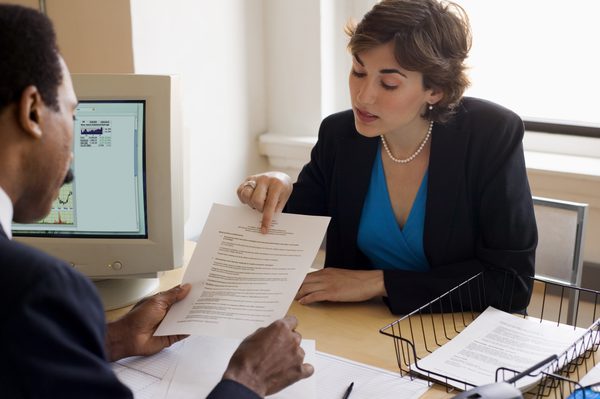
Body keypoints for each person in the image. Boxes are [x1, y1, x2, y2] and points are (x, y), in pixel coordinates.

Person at [0, 4, 312, 398]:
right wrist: (247, 380)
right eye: (72, 114)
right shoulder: (36, 290)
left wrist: (114, 339)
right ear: (32, 111)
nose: (75, 149)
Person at [238, 0, 537, 314]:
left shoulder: (490, 134)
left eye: (389, 83)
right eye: (358, 71)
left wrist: (380, 282)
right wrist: (279, 186)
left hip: (456, 332)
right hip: (359, 327)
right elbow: (292, 230)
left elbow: (511, 283)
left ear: (435, 90)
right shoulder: (340, 135)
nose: (363, 97)